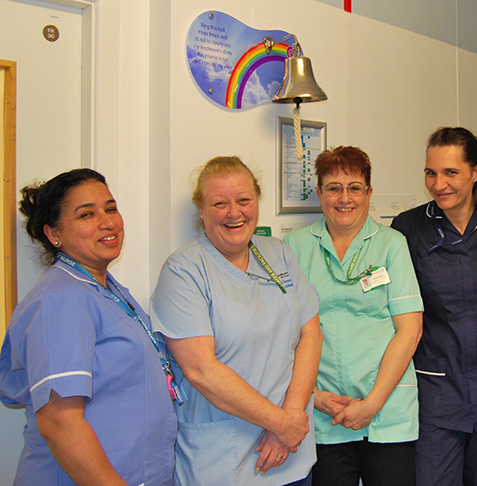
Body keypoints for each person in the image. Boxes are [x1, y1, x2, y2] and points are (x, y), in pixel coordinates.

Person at [150, 156, 322, 486]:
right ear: (201, 211)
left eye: (243, 200)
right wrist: (281, 424)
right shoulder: (183, 271)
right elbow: (201, 370)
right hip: (222, 460)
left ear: (256, 201)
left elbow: (310, 334)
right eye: (219, 203)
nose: (234, 212)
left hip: (290, 451)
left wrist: (290, 420)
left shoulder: (279, 254)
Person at [0, 168, 177, 485]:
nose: (108, 222)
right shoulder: (61, 299)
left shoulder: (105, 289)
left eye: (110, 208)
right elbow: (59, 422)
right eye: (86, 215)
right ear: (54, 234)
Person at [284, 146, 423, 486]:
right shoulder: (294, 246)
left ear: (368, 193)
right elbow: (284, 334)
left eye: (354, 187)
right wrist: (313, 397)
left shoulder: (392, 244)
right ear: (319, 193)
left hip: (388, 412)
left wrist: (372, 404)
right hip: (325, 414)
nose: (344, 198)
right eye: (333, 188)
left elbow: (410, 330)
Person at [391, 127, 477, 486]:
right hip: (437, 388)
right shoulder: (409, 228)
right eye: (431, 173)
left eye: (451, 172)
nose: (438, 184)